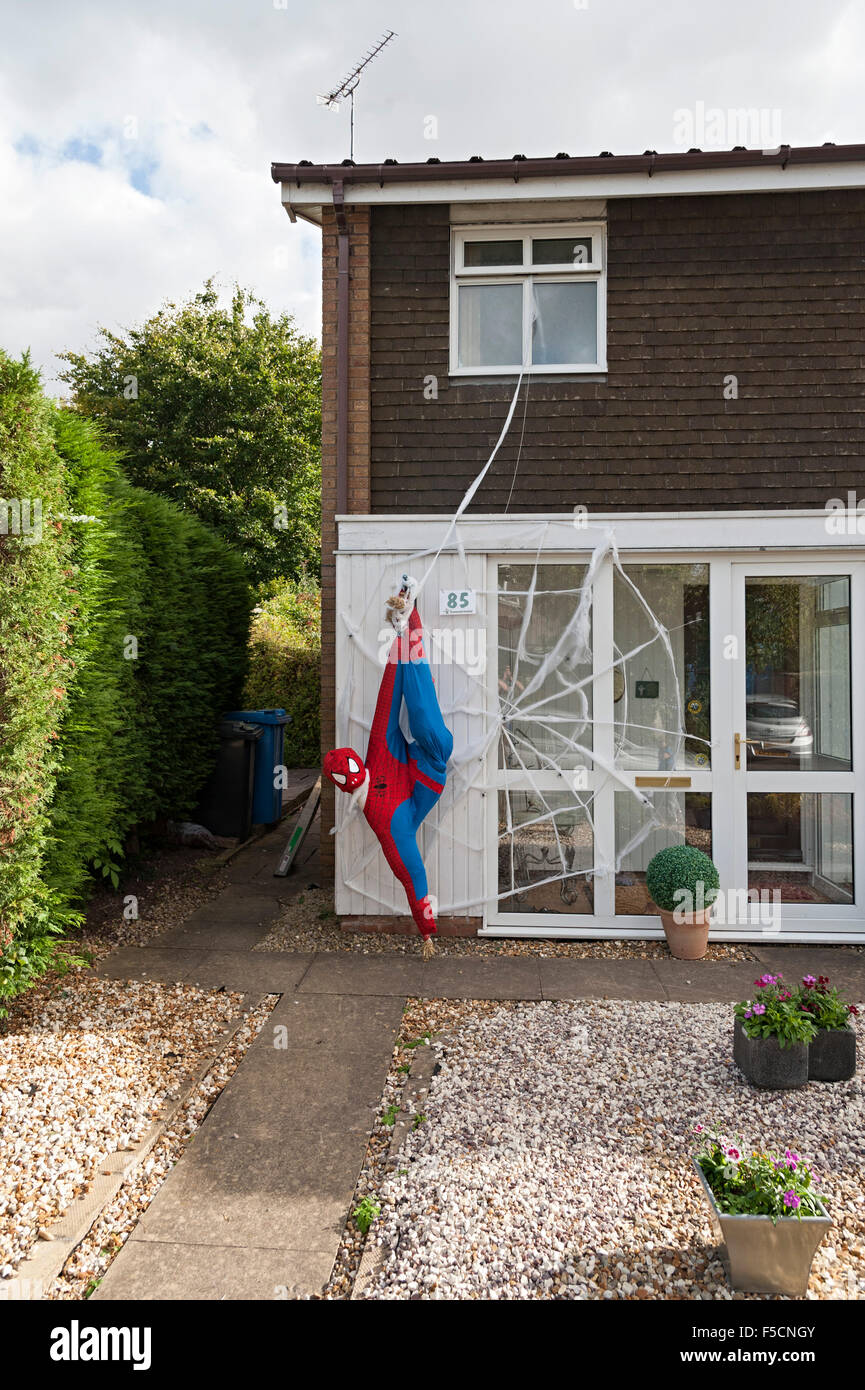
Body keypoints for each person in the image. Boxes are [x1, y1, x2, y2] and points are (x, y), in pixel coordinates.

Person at [324, 577, 453, 956]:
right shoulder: (384, 822)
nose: (353, 772)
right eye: (349, 774)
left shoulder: (376, 752)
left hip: (410, 755)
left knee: (417, 705)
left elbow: (387, 699)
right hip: (428, 769)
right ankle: (409, 623)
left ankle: (410, 621)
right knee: (429, 726)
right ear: (348, 781)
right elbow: (410, 872)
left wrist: (399, 638)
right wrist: (425, 928)